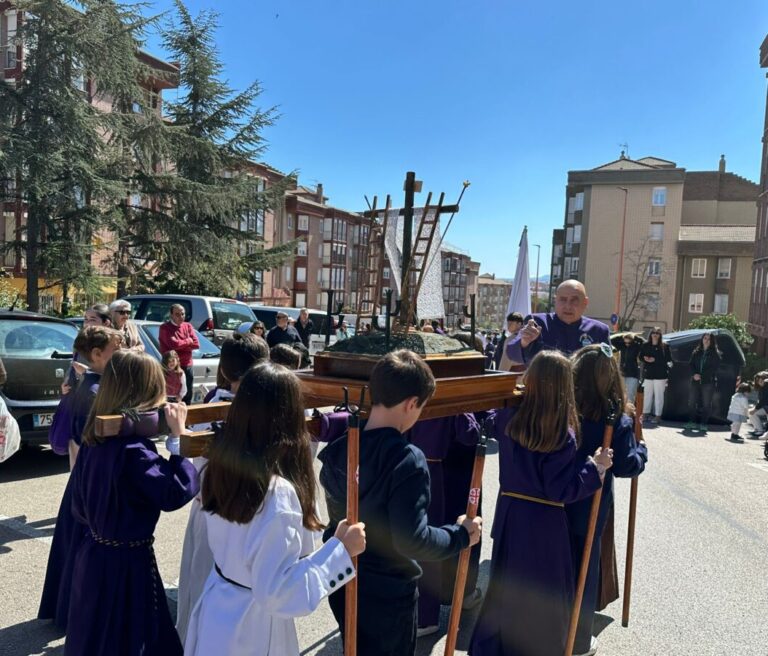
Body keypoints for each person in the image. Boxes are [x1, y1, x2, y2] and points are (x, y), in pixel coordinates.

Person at [183, 362, 366, 656]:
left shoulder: (218, 464)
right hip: (251, 629)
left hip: (219, 609)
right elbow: (279, 593)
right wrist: (341, 552)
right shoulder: (276, 493)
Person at [318, 350, 482, 656]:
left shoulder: (340, 449)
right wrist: (460, 535)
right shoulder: (407, 459)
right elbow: (412, 540)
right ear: (411, 404)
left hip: (344, 581)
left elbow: (336, 525)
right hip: (388, 594)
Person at [469, 350, 613, 656]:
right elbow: (561, 489)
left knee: (505, 586)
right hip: (546, 523)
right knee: (542, 593)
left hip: (511, 514)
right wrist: (595, 467)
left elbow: (485, 415)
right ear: (565, 386)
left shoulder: (508, 418)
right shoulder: (563, 433)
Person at [65, 351, 199, 655]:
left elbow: (79, 505)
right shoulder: (134, 450)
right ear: (147, 392)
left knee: (94, 633)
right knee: (130, 638)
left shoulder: (93, 438)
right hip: (128, 564)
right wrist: (179, 439)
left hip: (94, 554)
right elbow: (174, 491)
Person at [175, 333, 270, 645]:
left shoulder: (215, 406)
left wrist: (178, 433)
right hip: (261, 512)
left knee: (204, 581)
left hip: (213, 509)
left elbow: (187, 453)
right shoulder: (276, 408)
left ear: (226, 371)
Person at [39, 326, 124, 630]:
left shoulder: (95, 385)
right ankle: (74, 611)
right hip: (92, 480)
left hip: (87, 477)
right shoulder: (93, 391)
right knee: (82, 546)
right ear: (98, 354)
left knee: (74, 543)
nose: (123, 351)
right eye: (118, 347)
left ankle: (67, 608)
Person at [567, 344, 648, 656]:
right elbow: (627, 465)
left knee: (558, 563)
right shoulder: (614, 417)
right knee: (585, 568)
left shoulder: (562, 406)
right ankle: (577, 639)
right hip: (590, 502)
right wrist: (641, 450)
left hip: (556, 497)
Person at [408, 414, 483, 637]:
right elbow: (471, 433)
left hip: (421, 460)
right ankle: (426, 613)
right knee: (430, 536)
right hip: (433, 465)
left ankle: (433, 607)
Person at [506, 280, 610, 366]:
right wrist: (524, 342)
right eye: (563, 300)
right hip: (543, 389)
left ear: (585, 303)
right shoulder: (537, 322)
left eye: (574, 300)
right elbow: (511, 353)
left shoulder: (599, 331)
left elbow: (608, 365)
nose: (568, 306)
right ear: (555, 301)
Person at [159, 304, 199, 404]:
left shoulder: (188, 326)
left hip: (186, 365)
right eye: (177, 314)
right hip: (170, 366)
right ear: (171, 315)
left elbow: (196, 344)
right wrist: (188, 341)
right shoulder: (165, 328)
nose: (181, 316)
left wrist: (181, 344)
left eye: (183, 314)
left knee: (187, 394)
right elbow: (173, 345)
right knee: (169, 396)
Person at [685, 332, 722, 432]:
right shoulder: (696, 352)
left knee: (706, 404)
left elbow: (714, 369)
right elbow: (691, 364)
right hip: (695, 381)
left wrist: (702, 376)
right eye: (705, 338)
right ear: (702, 339)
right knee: (692, 402)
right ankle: (691, 422)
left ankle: (703, 424)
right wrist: (694, 374)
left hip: (708, 382)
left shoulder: (715, 354)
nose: (706, 340)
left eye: (709, 339)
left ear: (712, 341)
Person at [639, 327, 672, 423]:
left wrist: (655, 360)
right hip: (648, 374)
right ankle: (645, 414)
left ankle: (658, 416)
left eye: (657, 333)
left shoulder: (665, 346)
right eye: (653, 332)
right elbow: (640, 356)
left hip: (660, 375)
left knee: (659, 396)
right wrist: (644, 358)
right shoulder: (645, 345)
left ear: (660, 335)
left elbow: (668, 360)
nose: (655, 334)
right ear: (651, 334)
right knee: (647, 395)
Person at [617, 333, 642, 403]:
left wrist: (636, 337)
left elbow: (644, 343)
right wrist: (621, 336)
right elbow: (612, 341)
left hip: (633, 374)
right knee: (621, 395)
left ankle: (630, 412)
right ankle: (623, 412)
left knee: (631, 395)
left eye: (629, 343)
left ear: (632, 341)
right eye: (625, 342)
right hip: (622, 373)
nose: (627, 344)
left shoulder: (636, 346)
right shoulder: (622, 346)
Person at [748, 372, 768, 437]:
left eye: (762, 380)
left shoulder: (766, 387)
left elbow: (763, 400)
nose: (759, 382)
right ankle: (758, 429)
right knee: (750, 411)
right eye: (758, 380)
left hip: (766, 407)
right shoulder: (762, 388)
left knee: (752, 413)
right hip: (765, 407)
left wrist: (755, 409)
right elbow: (761, 401)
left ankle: (760, 430)